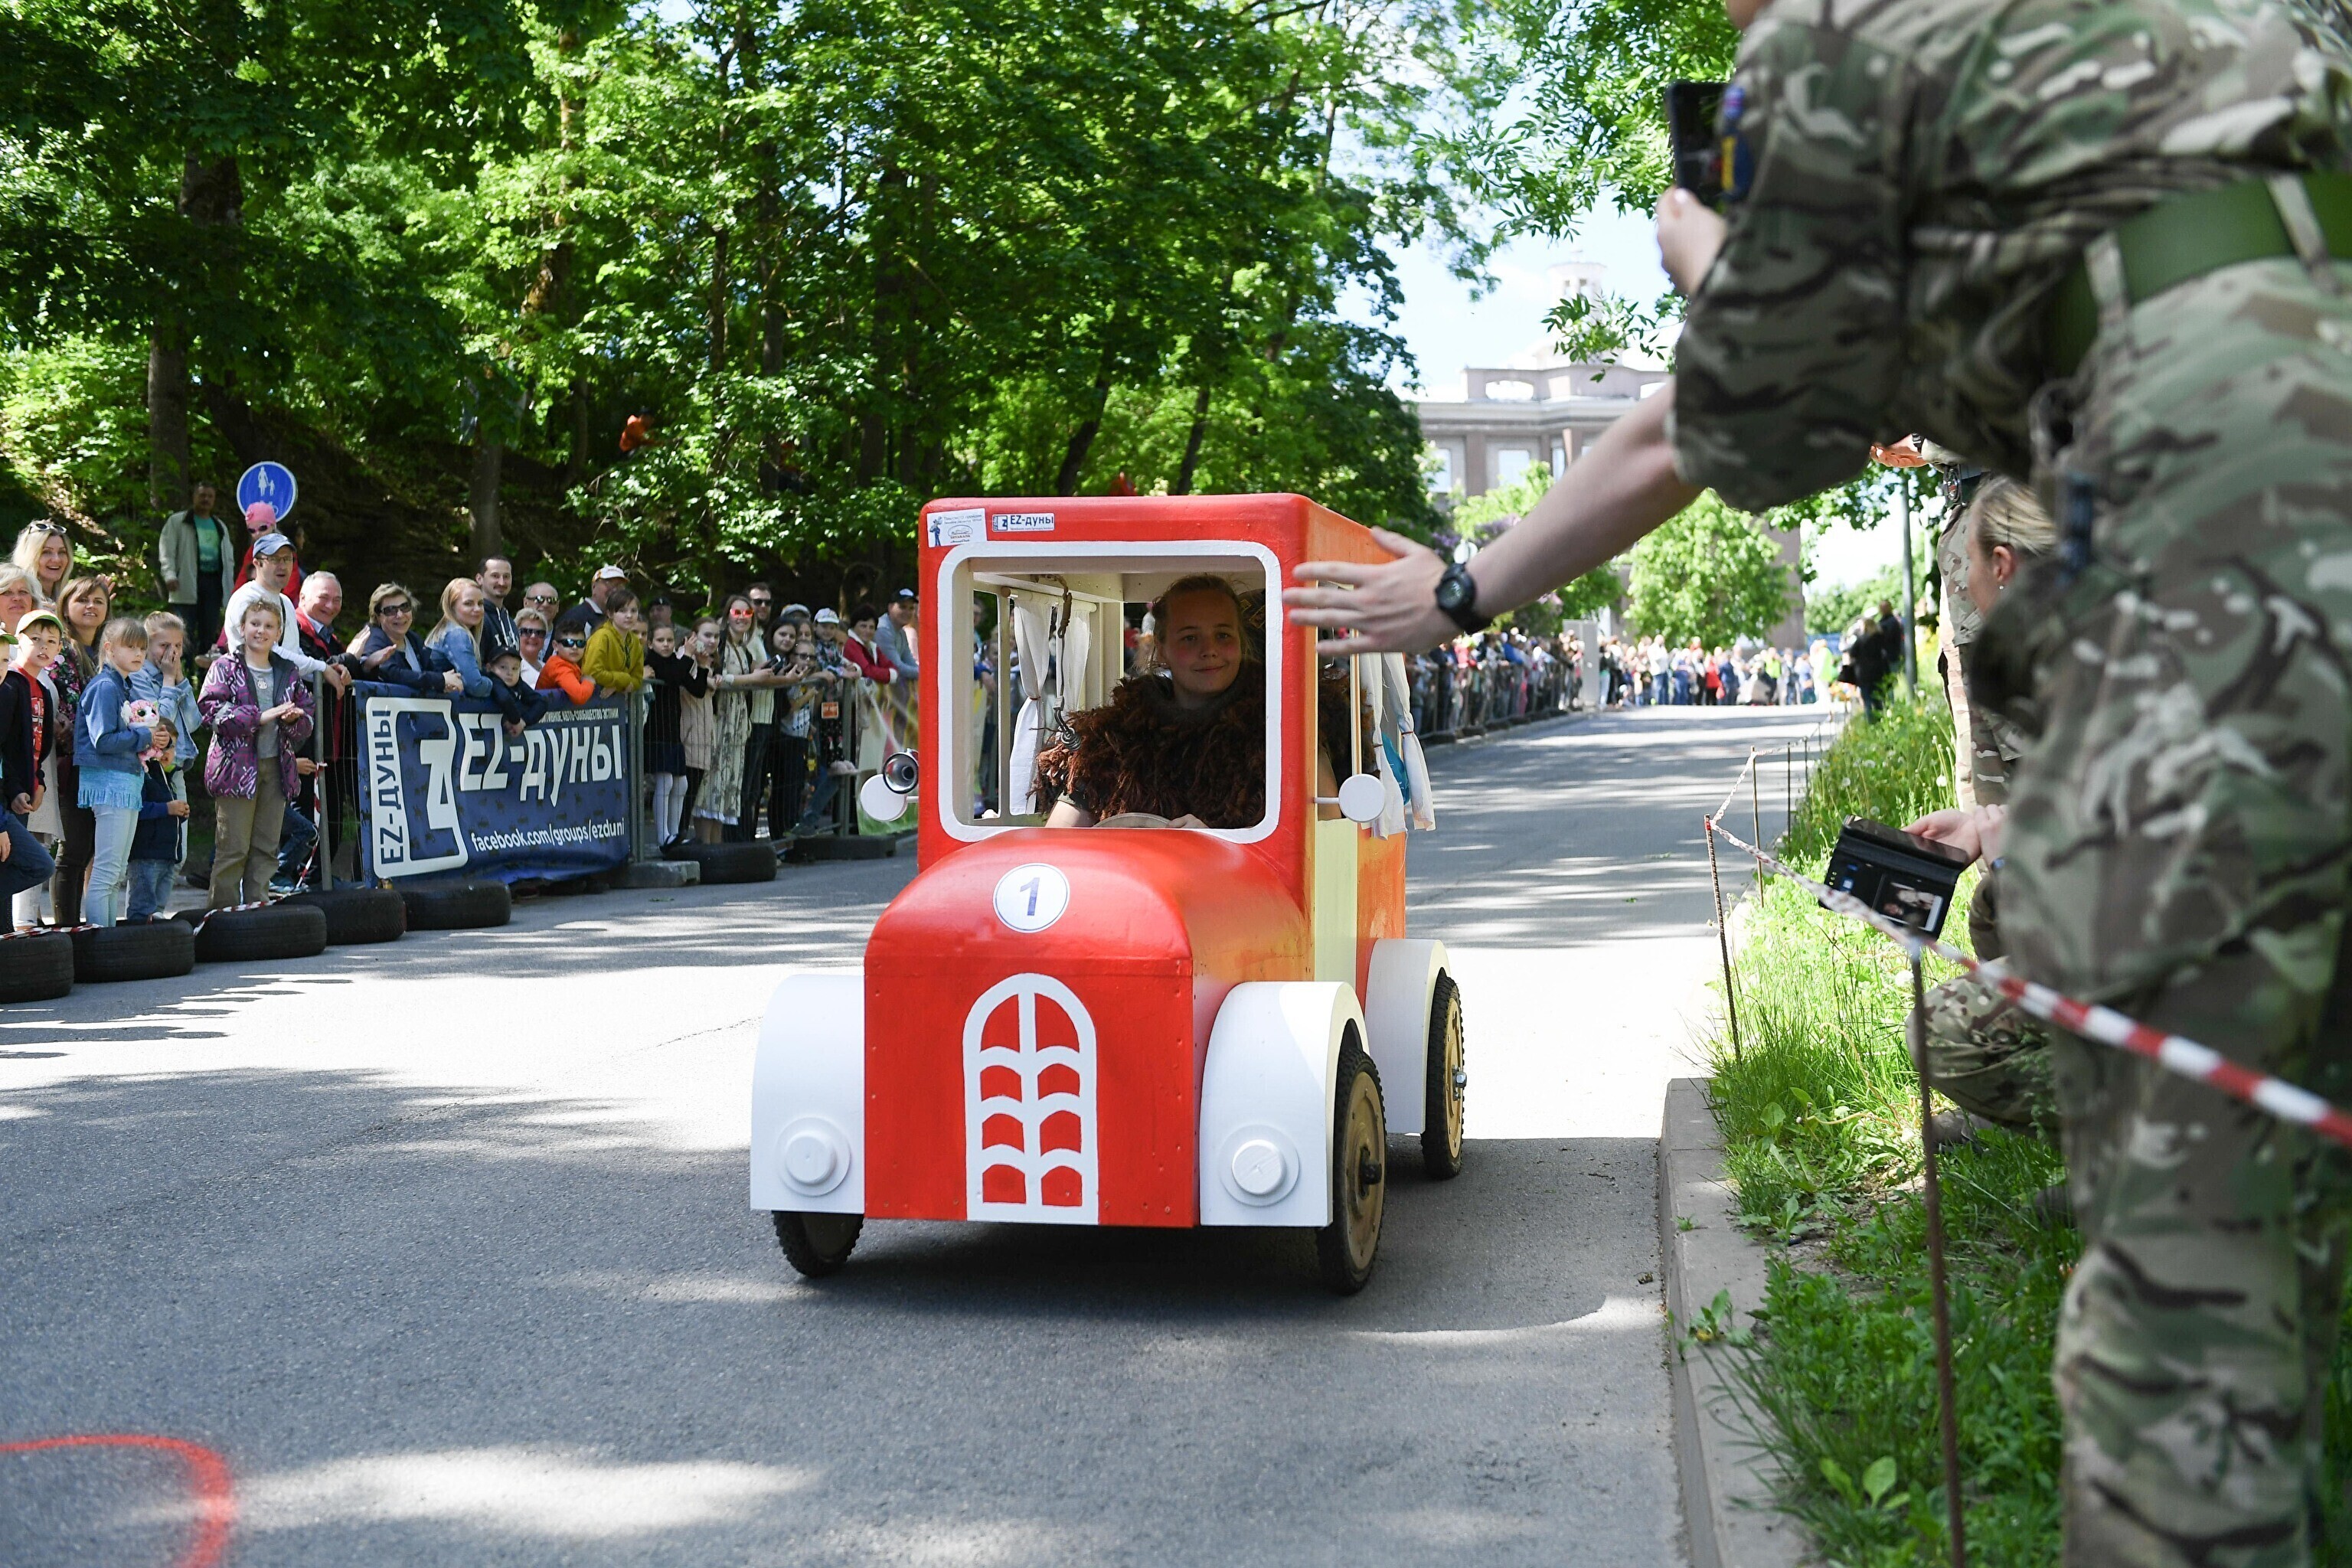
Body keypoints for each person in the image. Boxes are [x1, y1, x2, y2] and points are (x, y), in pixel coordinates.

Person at [1285, 0, 2352, 1552]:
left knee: (2192, 1328)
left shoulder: (1845, 47)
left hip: (2243, 598)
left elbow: (1735, 423)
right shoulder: (2199, 32)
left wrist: (1698, 254)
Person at [1037, 576, 1345, 830]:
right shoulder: (1116, 736)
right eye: (1190, 638)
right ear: (1162, 648)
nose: (1209, 650)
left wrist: (1216, 844)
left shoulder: (1286, 726)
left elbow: (1326, 829)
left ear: (1240, 641)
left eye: (1223, 635)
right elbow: (1060, 838)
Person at [200, 598, 313, 908]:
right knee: (233, 848)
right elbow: (210, 711)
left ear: (279, 633)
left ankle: (257, 911)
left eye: (269, 626)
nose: (261, 631)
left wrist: (295, 719)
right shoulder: (225, 667)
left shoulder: (288, 671)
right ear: (242, 628)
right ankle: (221, 916)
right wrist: (260, 717)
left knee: (266, 848)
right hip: (235, 771)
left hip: (277, 769)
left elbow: (308, 717)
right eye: (255, 624)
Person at [76, 616, 156, 928]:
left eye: (142, 648)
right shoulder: (106, 687)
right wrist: (144, 736)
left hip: (124, 784)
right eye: (130, 647)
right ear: (109, 648)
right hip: (110, 785)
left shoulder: (123, 686)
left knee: (116, 871)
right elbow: (103, 740)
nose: (138, 654)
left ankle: (107, 938)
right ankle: (101, 941)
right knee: (107, 871)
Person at [45, 574, 109, 925]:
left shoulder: (106, 651)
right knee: (72, 853)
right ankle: (65, 929)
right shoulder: (61, 650)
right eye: (82, 600)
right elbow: (61, 708)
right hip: (70, 765)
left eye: (98, 601)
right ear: (66, 606)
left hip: (102, 765)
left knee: (89, 852)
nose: (91, 606)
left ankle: (82, 926)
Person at [223, 536, 350, 694]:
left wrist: (327, 672)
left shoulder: (286, 603)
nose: (283, 566)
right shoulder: (245, 599)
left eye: (288, 559)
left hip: (281, 698)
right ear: (257, 563)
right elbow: (268, 652)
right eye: (275, 559)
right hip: (248, 696)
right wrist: (321, 667)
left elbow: (294, 654)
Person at [1, 609, 60, 924]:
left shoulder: (44, 692)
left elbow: (41, 747)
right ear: (19, 642)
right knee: (25, 861)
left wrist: (39, 783)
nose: (43, 646)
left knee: (10, 862)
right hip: (6, 795)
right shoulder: (10, 685)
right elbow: (3, 748)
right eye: (35, 638)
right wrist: (13, 790)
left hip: (23, 793)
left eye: (51, 641)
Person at [643, 622, 704, 848]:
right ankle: (663, 836)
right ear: (651, 643)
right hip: (656, 731)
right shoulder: (652, 662)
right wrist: (687, 655)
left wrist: (703, 665)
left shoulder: (675, 662)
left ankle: (675, 833)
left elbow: (696, 688)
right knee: (665, 781)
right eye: (660, 640)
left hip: (672, 732)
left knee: (682, 784)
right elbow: (671, 676)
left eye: (670, 640)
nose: (666, 645)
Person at [124, 714, 189, 923]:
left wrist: (180, 814)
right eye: (163, 746)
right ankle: (137, 936)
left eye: (172, 747)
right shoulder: (144, 772)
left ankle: (156, 936)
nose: (167, 752)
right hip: (146, 855)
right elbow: (137, 809)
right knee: (142, 908)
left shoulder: (169, 777)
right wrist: (167, 809)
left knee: (158, 910)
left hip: (167, 854)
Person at [158, 483, 236, 652]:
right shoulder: (178, 522)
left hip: (213, 584)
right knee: (183, 631)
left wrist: (229, 587)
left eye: (210, 496)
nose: (206, 499)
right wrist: (170, 575)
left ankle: (205, 666)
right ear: (194, 497)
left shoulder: (219, 526)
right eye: (202, 495)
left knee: (209, 630)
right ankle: (182, 665)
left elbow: (228, 559)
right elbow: (167, 551)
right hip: (186, 581)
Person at [351, 583, 464, 697]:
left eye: (405, 607)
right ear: (378, 616)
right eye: (391, 610)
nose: (400, 615)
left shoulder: (414, 639)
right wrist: (440, 680)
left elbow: (431, 670)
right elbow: (393, 674)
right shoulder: (372, 639)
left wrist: (446, 682)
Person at [677, 617, 719, 839]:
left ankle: (682, 835)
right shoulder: (685, 658)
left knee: (691, 794)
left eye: (716, 636)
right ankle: (676, 838)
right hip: (688, 737)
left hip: (703, 737)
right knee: (683, 795)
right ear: (693, 636)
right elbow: (694, 688)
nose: (712, 641)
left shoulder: (708, 663)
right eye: (707, 635)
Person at [423, 578, 493, 700]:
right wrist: (494, 683)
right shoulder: (457, 634)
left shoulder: (450, 630)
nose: (477, 609)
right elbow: (475, 686)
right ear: (452, 607)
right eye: (468, 603)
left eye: (480, 603)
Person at [580, 588, 648, 696]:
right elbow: (592, 672)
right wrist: (624, 679)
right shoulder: (602, 637)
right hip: (593, 698)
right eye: (622, 611)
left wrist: (617, 686)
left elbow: (637, 679)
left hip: (617, 700)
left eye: (633, 611)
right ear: (610, 614)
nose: (629, 616)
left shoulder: (635, 641)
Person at [232, 501, 302, 600]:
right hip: (258, 599)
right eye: (252, 530)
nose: (258, 533)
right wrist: (235, 599)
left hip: (281, 599)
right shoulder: (252, 551)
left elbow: (292, 582)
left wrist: (281, 602)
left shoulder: (285, 548)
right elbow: (242, 579)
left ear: (273, 526)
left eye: (263, 528)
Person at [482, 645, 549, 737]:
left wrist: (524, 722)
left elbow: (542, 702)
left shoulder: (518, 683)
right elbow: (504, 698)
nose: (510, 673)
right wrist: (516, 721)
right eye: (503, 667)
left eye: (515, 668)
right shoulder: (493, 680)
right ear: (489, 668)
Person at [11, 520, 72, 607]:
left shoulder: (69, 601)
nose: (57, 559)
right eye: (46, 552)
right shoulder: (17, 602)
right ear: (29, 557)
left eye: (62, 552)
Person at [555, 565, 627, 637]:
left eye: (619, 586)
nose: (615, 590)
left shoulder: (621, 618)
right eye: (608, 583)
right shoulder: (575, 617)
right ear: (594, 587)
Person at [535, 626, 596, 706]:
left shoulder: (569, 662)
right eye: (568, 642)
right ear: (555, 646)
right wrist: (589, 682)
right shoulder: (558, 666)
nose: (575, 647)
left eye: (580, 643)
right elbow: (580, 697)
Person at [475, 556, 519, 665]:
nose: (502, 582)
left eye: (506, 576)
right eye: (495, 576)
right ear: (479, 579)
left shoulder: (510, 621)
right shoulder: (476, 618)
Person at [877, 588, 921, 682]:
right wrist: (925, 673)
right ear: (890, 607)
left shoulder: (901, 631)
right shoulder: (883, 630)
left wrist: (923, 672)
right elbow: (896, 667)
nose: (907, 612)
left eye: (911, 608)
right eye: (903, 607)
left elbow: (910, 662)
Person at [514, 608, 550, 686]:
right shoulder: (513, 668)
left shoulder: (548, 668)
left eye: (539, 633)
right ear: (516, 634)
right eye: (527, 631)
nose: (533, 636)